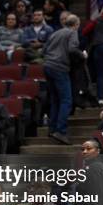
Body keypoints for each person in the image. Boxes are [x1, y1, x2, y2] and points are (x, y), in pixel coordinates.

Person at [43, 14, 86, 145]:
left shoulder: (55, 33)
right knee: (66, 100)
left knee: (55, 99)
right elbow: (72, 49)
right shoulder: (72, 33)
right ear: (76, 25)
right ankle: (61, 131)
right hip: (60, 68)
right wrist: (82, 55)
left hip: (48, 66)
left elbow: (44, 49)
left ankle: (52, 128)